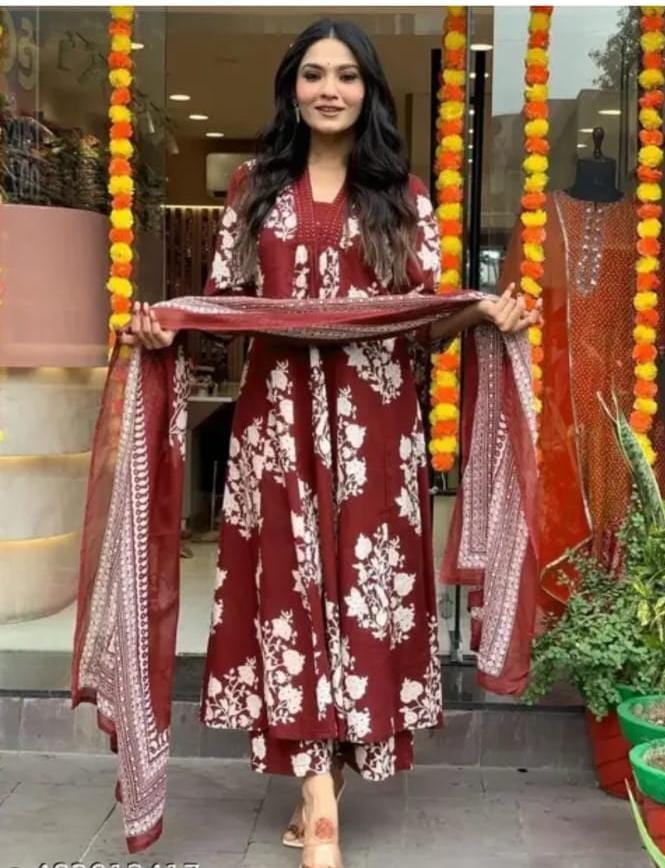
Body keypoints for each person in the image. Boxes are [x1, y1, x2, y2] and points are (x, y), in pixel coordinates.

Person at [122, 18, 538, 868]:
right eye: (313, 74)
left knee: (361, 602)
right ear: (292, 88)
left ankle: (329, 772)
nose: (329, 90)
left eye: (346, 75)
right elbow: (225, 305)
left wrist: (479, 314)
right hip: (276, 426)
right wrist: (166, 329)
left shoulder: (403, 196)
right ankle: (319, 809)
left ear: (368, 90)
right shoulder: (254, 189)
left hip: (376, 431)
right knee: (289, 596)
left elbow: (422, 323)